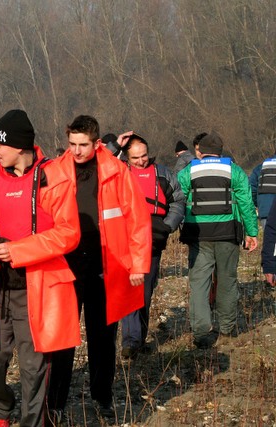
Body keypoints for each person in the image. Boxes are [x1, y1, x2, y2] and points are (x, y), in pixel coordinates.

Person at [0, 110, 82, 427]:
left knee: (33, 364)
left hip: (37, 285)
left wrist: (17, 250)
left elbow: (68, 233)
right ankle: (0, 407)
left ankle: (33, 422)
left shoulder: (54, 177)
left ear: (20, 147)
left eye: (0, 146)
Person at [50, 115, 151, 419]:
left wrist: (138, 263)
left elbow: (138, 220)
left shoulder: (117, 172)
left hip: (105, 266)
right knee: (61, 338)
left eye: (83, 145)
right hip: (65, 265)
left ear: (96, 143)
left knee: (103, 336)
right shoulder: (54, 171)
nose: (76, 151)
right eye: (72, 144)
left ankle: (102, 398)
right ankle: (54, 403)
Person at [178, 132, 258, 348]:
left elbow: (178, 198)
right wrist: (252, 233)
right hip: (228, 233)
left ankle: (202, 333)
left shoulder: (188, 171)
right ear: (220, 152)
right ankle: (227, 328)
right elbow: (246, 203)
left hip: (198, 235)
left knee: (200, 283)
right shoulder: (234, 170)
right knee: (227, 280)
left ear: (200, 151)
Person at [120, 133, 185, 358]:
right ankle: (130, 342)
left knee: (145, 291)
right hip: (125, 240)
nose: (141, 161)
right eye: (136, 157)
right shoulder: (119, 173)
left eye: (144, 155)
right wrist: (115, 145)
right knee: (131, 289)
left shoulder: (164, 174)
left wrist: (168, 225)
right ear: (127, 158)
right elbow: (100, 164)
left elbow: (178, 200)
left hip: (154, 239)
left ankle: (138, 338)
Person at [249, 146, 276, 228]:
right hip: (266, 211)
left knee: (270, 240)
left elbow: (251, 190)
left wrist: (258, 204)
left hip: (266, 212)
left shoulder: (260, 168)